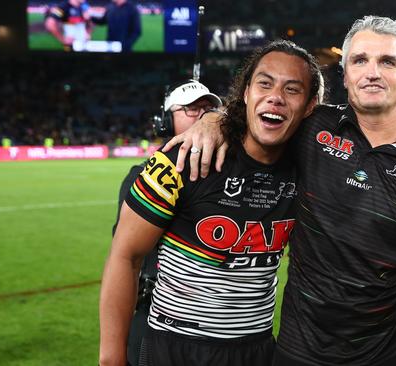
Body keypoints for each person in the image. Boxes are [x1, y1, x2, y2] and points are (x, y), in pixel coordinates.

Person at [165, 15, 396, 366]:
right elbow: (258, 114)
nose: (371, 72)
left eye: (387, 61)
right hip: (300, 351)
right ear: (345, 74)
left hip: (390, 353)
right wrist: (213, 119)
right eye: (359, 60)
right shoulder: (309, 128)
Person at [100, 40, 322, 366]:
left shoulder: (309, 169)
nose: (275, 96)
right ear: (246, 92)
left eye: (292, 89)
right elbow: (126, 256)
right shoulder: (180, 161)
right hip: (173, 351)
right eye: (264, 83)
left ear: (310, 105)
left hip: (256, 351)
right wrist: (112, 359)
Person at [111, 79, 222, 366]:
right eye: (190, 109)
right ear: (164, 121)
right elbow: (125, 258)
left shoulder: (232, 171)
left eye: (209, 108)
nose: (201, 115)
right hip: (154, 317)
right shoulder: (144, 176)